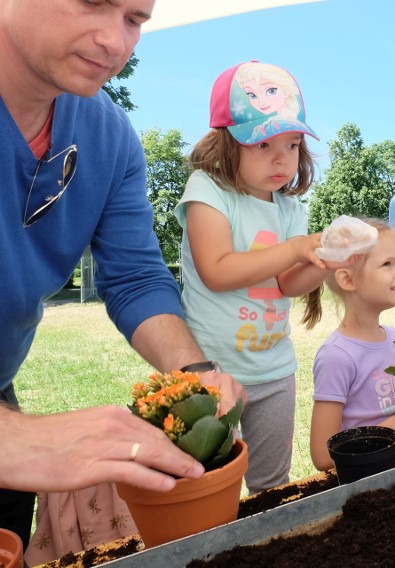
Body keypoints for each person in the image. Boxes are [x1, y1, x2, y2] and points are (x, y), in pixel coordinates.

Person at [0, 0, 245, 546]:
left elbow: (135, 276)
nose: (116, 42)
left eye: (135, 19)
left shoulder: (109, 135)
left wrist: (196, 374)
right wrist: (12, 438)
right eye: (94, 2)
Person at [174, 61, 356, 494]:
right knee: (207, 486)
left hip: (275, 369)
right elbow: (216, 271)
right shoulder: (208, 191)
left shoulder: (290, 208)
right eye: (262, 145)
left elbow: (286, 284)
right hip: (211, 375)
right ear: (225, 143)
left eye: (292, 145)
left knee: (272, 487)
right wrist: (294, 249)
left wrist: (321, 260)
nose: (282, 158)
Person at [303, 220, 395, 471]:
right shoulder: (337, 356)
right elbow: (323, 455)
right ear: (348, 279)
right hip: (364, 480)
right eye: (387, 264)